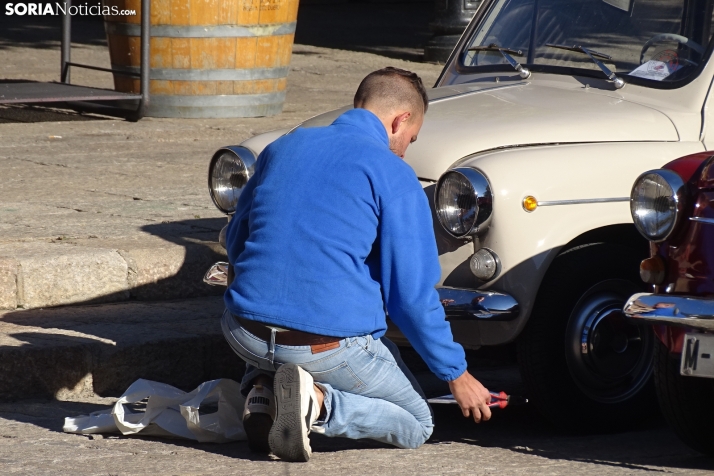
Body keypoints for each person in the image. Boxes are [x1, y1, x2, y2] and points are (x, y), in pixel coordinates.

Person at [221, 67, 493, 462]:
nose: (404, 149)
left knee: (276, 341)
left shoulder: (283, 146)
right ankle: (315, 404)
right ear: (400, 120)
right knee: (417, 422)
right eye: (410, 138)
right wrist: (457, 374)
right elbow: (410, 298)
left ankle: (261, 388)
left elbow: (236, 239)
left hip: (242, 331)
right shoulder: (393, 173)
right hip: (321, 348)